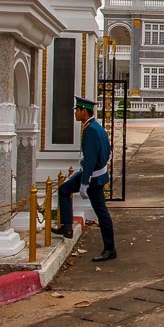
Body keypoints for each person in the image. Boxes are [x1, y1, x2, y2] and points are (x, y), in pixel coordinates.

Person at [52, 96, 116, 262]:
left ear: (84, 111)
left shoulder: (91, 131)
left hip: (93, 178)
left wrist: (84, 182)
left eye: (77, 110)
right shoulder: (95, 127)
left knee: (102, 213)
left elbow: (90, 159)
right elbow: (108, 151)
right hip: (96, 173)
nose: (75, 113)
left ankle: (110, 248)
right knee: (64, 190)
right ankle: (67, 227)